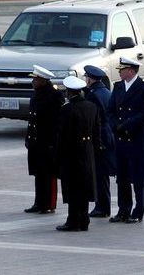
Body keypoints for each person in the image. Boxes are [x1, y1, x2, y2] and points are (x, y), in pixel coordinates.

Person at [107, 57, 144, 224]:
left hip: (136, 139)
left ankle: (138, 211)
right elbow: (111, 110)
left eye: (122, 69)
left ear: (132, 71)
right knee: (122, 177)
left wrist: (126, 125)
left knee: (138, 177)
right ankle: (123, 210)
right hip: (120, 139)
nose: (119, 72)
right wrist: (115, 125)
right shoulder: (118, 87)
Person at [56, 76, 100, 232]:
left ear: (69, 92)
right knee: (85, 186)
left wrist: (59, 155)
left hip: (71, 153)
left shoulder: (67, 109)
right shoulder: (92, 107)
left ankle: (73, 220)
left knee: (73, 187)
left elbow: (62, 135)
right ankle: (84, 218)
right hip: (87, 151)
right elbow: (97, 132)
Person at [24, 65, 65, 215]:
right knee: (38, 173)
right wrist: (29, 138)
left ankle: (49, 204)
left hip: (48, 143)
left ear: (43, 80)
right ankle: (38, 202)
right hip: (36, 142)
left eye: (35, 79)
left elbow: (57, 122)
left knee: (49, 175)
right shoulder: (36, 95)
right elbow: (32, 119)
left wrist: (53, 143)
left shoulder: (54, 96)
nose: (33, 82)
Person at [84, 65, 116, 218]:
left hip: (99, 138)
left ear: (90, 79)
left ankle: (102, 207)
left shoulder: (92, 95)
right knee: (103, 175)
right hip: (108, 136)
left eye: (86, 78)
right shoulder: (106, 92)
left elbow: (92, 119)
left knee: (99, 174)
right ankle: (104, 206)